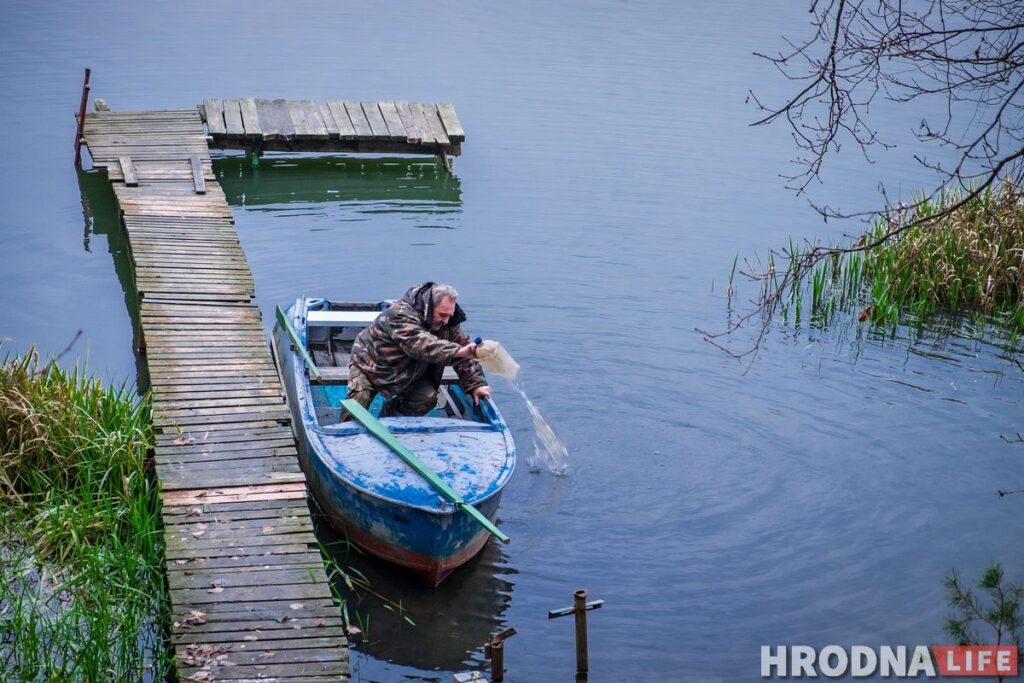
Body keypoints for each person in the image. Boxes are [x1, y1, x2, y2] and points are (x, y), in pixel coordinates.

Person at [347, 282, 491, 416]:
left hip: (408, 370)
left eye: (449, 316)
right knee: (357, 403)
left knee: (426, 398)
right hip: (371, 366)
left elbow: (465, 352)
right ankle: (347, 430)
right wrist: (457, 351)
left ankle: (390, 418)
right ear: (429, 308)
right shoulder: (400, 315)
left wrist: (476, 385)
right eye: (442, 315)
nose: (446, 321)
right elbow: (421, 344)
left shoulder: (448, 323)